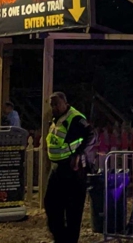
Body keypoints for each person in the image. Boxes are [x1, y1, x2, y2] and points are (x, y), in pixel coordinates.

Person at [44, 91, 97, 243]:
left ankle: (69, 240)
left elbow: (92, 135)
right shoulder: (57, 118)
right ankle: (61, 238)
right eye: (52, 105)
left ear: (65, 103)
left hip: (73, 169)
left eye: (57, 104)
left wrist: (79, 154)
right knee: (51, 204)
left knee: (73, 209)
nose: (54, 107)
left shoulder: (75, 118)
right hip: (57, 168)